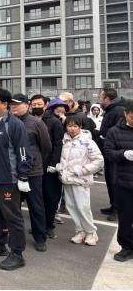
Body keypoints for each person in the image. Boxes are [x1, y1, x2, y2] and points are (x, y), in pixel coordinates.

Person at [0, 88, 32, 272]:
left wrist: (23, 176)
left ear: (5, 104)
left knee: (12, 216)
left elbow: (23, 153)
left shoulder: (14, 124)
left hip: (6, 179)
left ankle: (17, 253)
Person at [10, 94, 52, 253]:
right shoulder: (8, 121)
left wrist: (35, 160)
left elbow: (46, 147)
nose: (13, 107)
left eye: (17, 104)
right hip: (13, 171)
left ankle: (40, 238)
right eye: (12, 104)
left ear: (27, 106)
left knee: (35, 206)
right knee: (13, 206)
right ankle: (15, 236)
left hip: (33, 172)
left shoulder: (36, 123)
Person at [57, 116, 104, 246]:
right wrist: (60, 169)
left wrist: (82, 171)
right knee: (71, 206)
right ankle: (80, 231)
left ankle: (91, 232)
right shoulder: (64, 141)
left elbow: (99, 161)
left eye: (75, 126)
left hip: (81, 180)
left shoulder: (87, 141)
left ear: (80, 127)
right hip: (67, 179)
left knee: (83, 207)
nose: (72, 129)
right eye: (69, 126)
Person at [30, 95, 65, 240]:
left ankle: (49, 225)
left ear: (46, 105)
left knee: (51, 197)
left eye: (39, 104)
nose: (36, 107)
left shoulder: (54, 122)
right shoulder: (28, 120)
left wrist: (53, 164)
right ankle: (38, 226)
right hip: (33, 166)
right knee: (36, 199)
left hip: (49, 166)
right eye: (34, 104)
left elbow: (58, 145)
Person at [105, 100, 133, 262]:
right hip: (123, 182)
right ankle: (126, 247)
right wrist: (123, 154)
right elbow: (108, 152)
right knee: (125, 217)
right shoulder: (114, 131)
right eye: (132, 117)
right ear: (125, 114)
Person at [99, 88, 127, 222]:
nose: (99, 100)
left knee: (115, 180)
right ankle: (113, 205)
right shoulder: (110, 109)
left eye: (101, 97)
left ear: (107, 99)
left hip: (115, 152)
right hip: (108, 150)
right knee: (109, 179)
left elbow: (120, 133)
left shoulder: (118, 110)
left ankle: (117, 209)